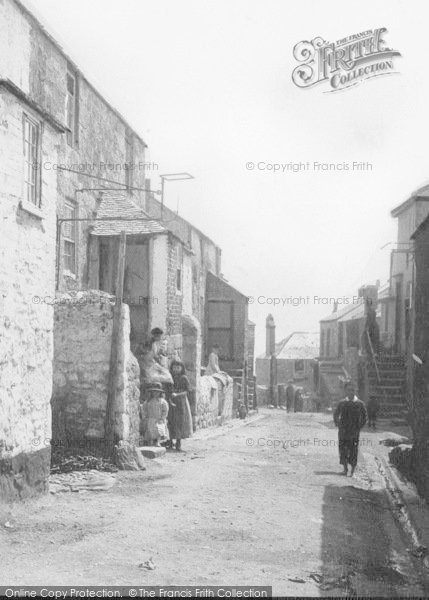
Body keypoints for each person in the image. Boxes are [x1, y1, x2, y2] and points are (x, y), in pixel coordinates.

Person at [333, 381, 367, 477]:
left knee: (353, 450)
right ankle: (345, 469)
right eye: (349, 390)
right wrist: (338, 424)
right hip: (343, 431)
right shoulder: (342, 403)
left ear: (355, 391)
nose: (351, 392)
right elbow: (336, 414)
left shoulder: (360, 404)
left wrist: (359, 427)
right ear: (345, 391)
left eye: (353, 390)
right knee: (343, 449)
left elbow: (365, 417)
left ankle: (352, 470)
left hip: (354, 432)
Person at [166, 360, 193, 451]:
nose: (176, 369)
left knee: (180, 421)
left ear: (181, 368)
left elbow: (188, 391)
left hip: (181, 402)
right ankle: (170, 441)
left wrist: (177, 394)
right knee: (170, 421)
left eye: (178, 367)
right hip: (171, 401)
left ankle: (178, 442)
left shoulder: (184, 378)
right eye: (174, 367)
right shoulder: (169, 377)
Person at [140, 382, 169, 446]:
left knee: (158, 431)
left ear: (160, 393)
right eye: (154, 392)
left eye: (157, 392)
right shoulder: (148, 401)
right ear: (151, 393)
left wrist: (163, 417)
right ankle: (151, 441)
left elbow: (165, 410)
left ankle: (157, 441)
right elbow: (144, 409)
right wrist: (144, 417)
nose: (156, 393)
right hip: (150, 418)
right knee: (150, 431)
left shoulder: (162, 401)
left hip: (158, 419)